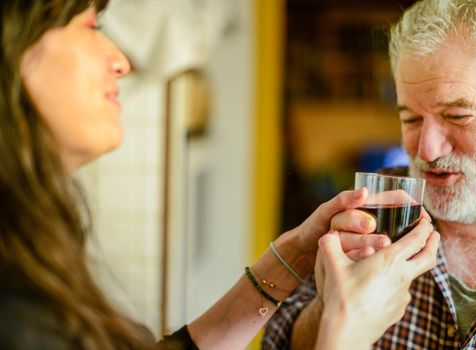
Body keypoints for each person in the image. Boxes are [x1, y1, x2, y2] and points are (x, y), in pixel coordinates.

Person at [0, 1, 440, 349]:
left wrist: (293, 256)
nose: (121, 61)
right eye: (92, 27)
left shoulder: (30, 242)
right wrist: (348, 329)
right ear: (13, 45)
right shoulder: (15, 301)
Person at [263, 0, 476, 349]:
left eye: (458, 116)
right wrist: (329, 306)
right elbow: (279, 342)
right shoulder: (375, 209)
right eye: (411, 120)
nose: (427, 150)